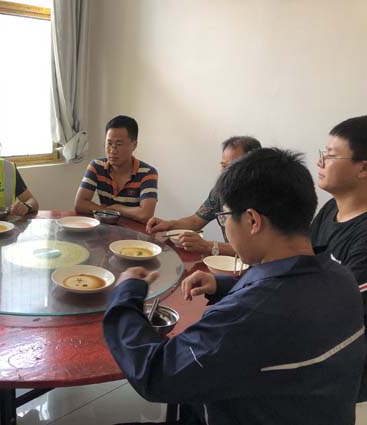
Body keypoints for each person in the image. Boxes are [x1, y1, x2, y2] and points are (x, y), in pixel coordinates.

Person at [104, 148, 366, 424]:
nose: (225, 225)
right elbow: (291, 301)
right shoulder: (341, 278)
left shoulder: (249, 316)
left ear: (252, 221)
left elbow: (156, 373)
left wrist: (124, 294)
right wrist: (223, 285)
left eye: (225, 216)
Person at [146, 136, 261, 256]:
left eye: (232, 167)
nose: (224, 173)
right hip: (232, 263)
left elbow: (257, 250)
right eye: (223, 166)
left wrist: (208, 246)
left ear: (252, 167)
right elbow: (195, 221)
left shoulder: (264, 198)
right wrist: (169, 225)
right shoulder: (220, 192)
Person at [310, 116, 367, 307]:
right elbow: (303, 261)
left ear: (364, 168)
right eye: (324, 153)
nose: (320, 162)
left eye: (331, 156)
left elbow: (341, 304)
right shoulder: (331, 208)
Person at [74, 115, 158, 223]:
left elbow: (145, 215)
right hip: (106, 228)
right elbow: (80, 204)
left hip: (134, 231)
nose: (112, 150)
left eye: (119, 144)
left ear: (134, 145)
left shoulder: (147, 173)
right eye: (109, 143)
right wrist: (109, 211)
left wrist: (118, 208)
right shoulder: (97, 166)